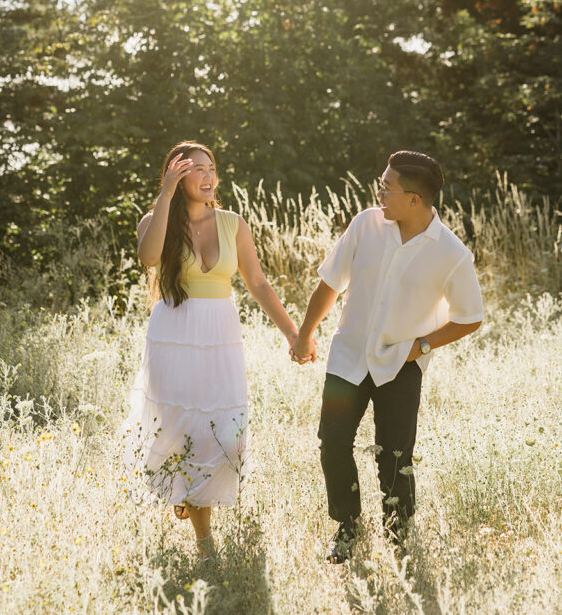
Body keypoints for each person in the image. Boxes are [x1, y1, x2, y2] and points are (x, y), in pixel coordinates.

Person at [290, 150, 483, 563]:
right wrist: (305, 334)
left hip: (400, 366)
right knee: (332, 444)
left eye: (387, 188)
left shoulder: (451, 254)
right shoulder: (366, 224)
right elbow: (329, 284)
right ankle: (347, 526)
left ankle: (398, 540)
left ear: (414, 199)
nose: (380, 193)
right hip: (347, 358)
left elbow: (471, 318)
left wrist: (422, 346)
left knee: (394, 455)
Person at [123, 141, 298, 558]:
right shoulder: (156, 218)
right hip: (173, 335)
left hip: (220, 336)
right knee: (180, 430)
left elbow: (257, 283)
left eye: (211, 167)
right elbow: (148, 257)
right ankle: (205, 542)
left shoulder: (233, 223)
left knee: (223, 434)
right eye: (194, 169)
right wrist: (165, 196)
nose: (207, 175)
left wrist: (293, 333)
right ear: (176, 176)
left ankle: (196, 499)